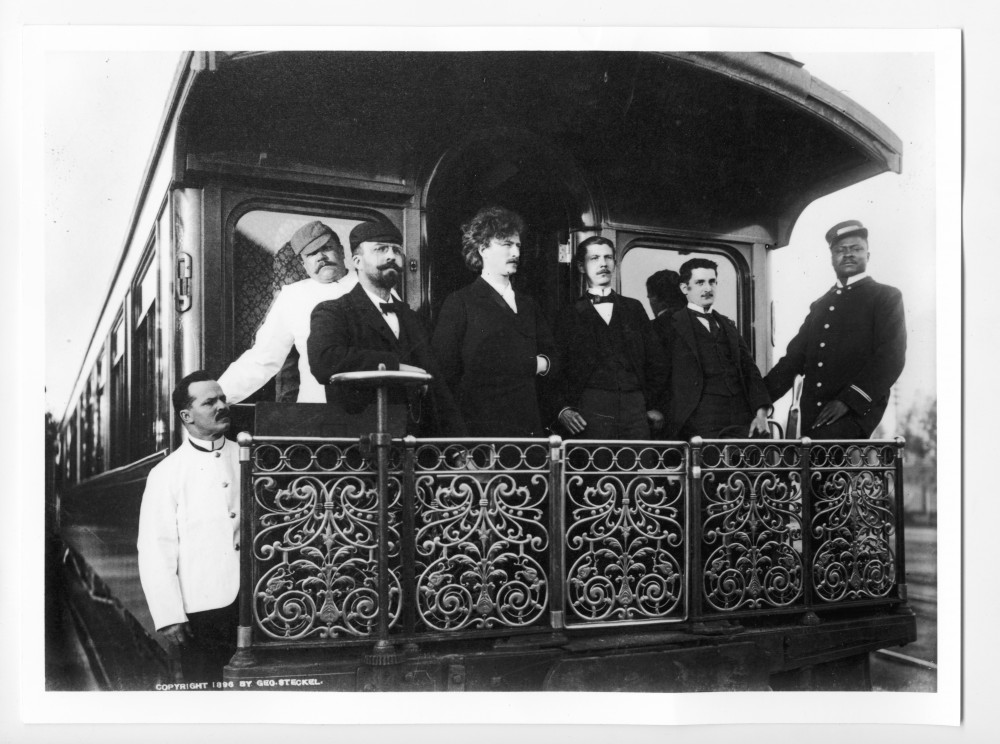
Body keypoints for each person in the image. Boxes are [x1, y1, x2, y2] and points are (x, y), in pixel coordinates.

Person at [307, 220, 465, 436]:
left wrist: (458, 447)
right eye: (381, 249)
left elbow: (438, 388)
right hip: (358, 444)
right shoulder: (333, 311)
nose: (391, 256)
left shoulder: (412, 318)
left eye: (397, 250)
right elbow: (324, 361)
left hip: (414, 445)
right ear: (357, 261)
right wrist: (395, 366)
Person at [137, 371, 241, 684]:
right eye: (210, 402)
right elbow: (156, 548)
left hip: (257, 603)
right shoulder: (166, 473)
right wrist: (169, 614)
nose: (222, 406)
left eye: (222, 399)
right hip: (202, 608)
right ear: (187, 416)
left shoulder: (249, 456)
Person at [765, 220, 906, 439]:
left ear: (868, 255)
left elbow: (891, 357)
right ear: (832, 258)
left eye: (856, 249)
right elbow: (793, 361)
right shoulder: (820, 305)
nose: (848, 254)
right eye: (840, 250)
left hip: (854, 414)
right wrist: (759, 402)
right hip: (813, 418)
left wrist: (848, 401)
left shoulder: (885, 297)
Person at [430, 206, 555, 438]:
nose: (515, 252)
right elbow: (445, 376)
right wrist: (457, 442)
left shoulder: (528, 305)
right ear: (483, 249)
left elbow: (553, 358)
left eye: (518, 245)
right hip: (482, 433)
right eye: (506, 244)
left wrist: (543, 364)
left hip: (529, 431)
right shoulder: (460, 302)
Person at [218, 220, 357, 404]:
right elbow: (263, 358)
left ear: (342, 251)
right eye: (311, 254)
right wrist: (217, 397)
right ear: (303, 263)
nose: (321, 257)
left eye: (327, 248)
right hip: (316, 408)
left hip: (372, 407)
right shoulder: (293, 296)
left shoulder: (370, 285)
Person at [553, 236, 668, 439]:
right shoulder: (568, 314)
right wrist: (563, 409)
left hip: (635, 409)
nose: (603, 264)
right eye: (594, 258)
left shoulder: (634, 308)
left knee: (638, 458)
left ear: (615, 263)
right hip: (589, 410)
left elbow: (656, 361)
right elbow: (557, 368)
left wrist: (652, 404)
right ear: (581, 267)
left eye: (608, 257)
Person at [660, 258, 771, 439]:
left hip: (741, 418)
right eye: (700, 282)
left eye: (712, 282)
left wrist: (761, 412)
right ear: (684, 288)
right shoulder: (668, 325)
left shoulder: (728, 325)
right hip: (699, 421)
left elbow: (750, 370)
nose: (708, 288)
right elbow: (659, 375)